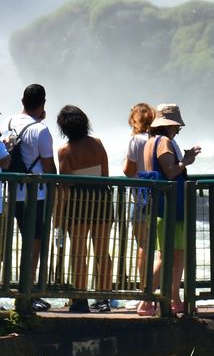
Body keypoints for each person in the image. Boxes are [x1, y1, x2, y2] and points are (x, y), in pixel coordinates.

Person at [136, 103, 201, 316]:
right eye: (176, 127)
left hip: (162, 206)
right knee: (166, 256)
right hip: (169, 206)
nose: (177, 131)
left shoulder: (150, 141)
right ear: (168, 126)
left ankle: (175, 299)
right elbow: (171, 172)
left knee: (176, 254)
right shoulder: (163, 141)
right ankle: (147, 300)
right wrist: (187, 160)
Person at [5, 84, 57, 311]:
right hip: (36, 195)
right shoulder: (41, 130)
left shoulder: (8, 123)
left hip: (13, 191)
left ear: (22, 101)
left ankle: (17, 290)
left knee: (17, 240)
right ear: (43, 103)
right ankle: (28, 292)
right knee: (34, 243)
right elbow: (49, 167)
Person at [56, 105, 113, 313]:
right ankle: (104, 297)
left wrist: (59, 217)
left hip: (78, 202)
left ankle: (80, 299)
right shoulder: (97, 144)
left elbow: (65, 183)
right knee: (102, 251)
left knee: (80, 252)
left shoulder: (64, 150)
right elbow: (105, 174)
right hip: (101, 199)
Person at [122, 103, 156, 269]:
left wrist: (123, 162)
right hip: (160, 196)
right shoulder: (160, 140)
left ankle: (144, 287)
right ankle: (159, 285)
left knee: (143, 244)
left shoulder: (135, 141)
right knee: (160, 245)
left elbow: (129, 171)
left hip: (140, 199)